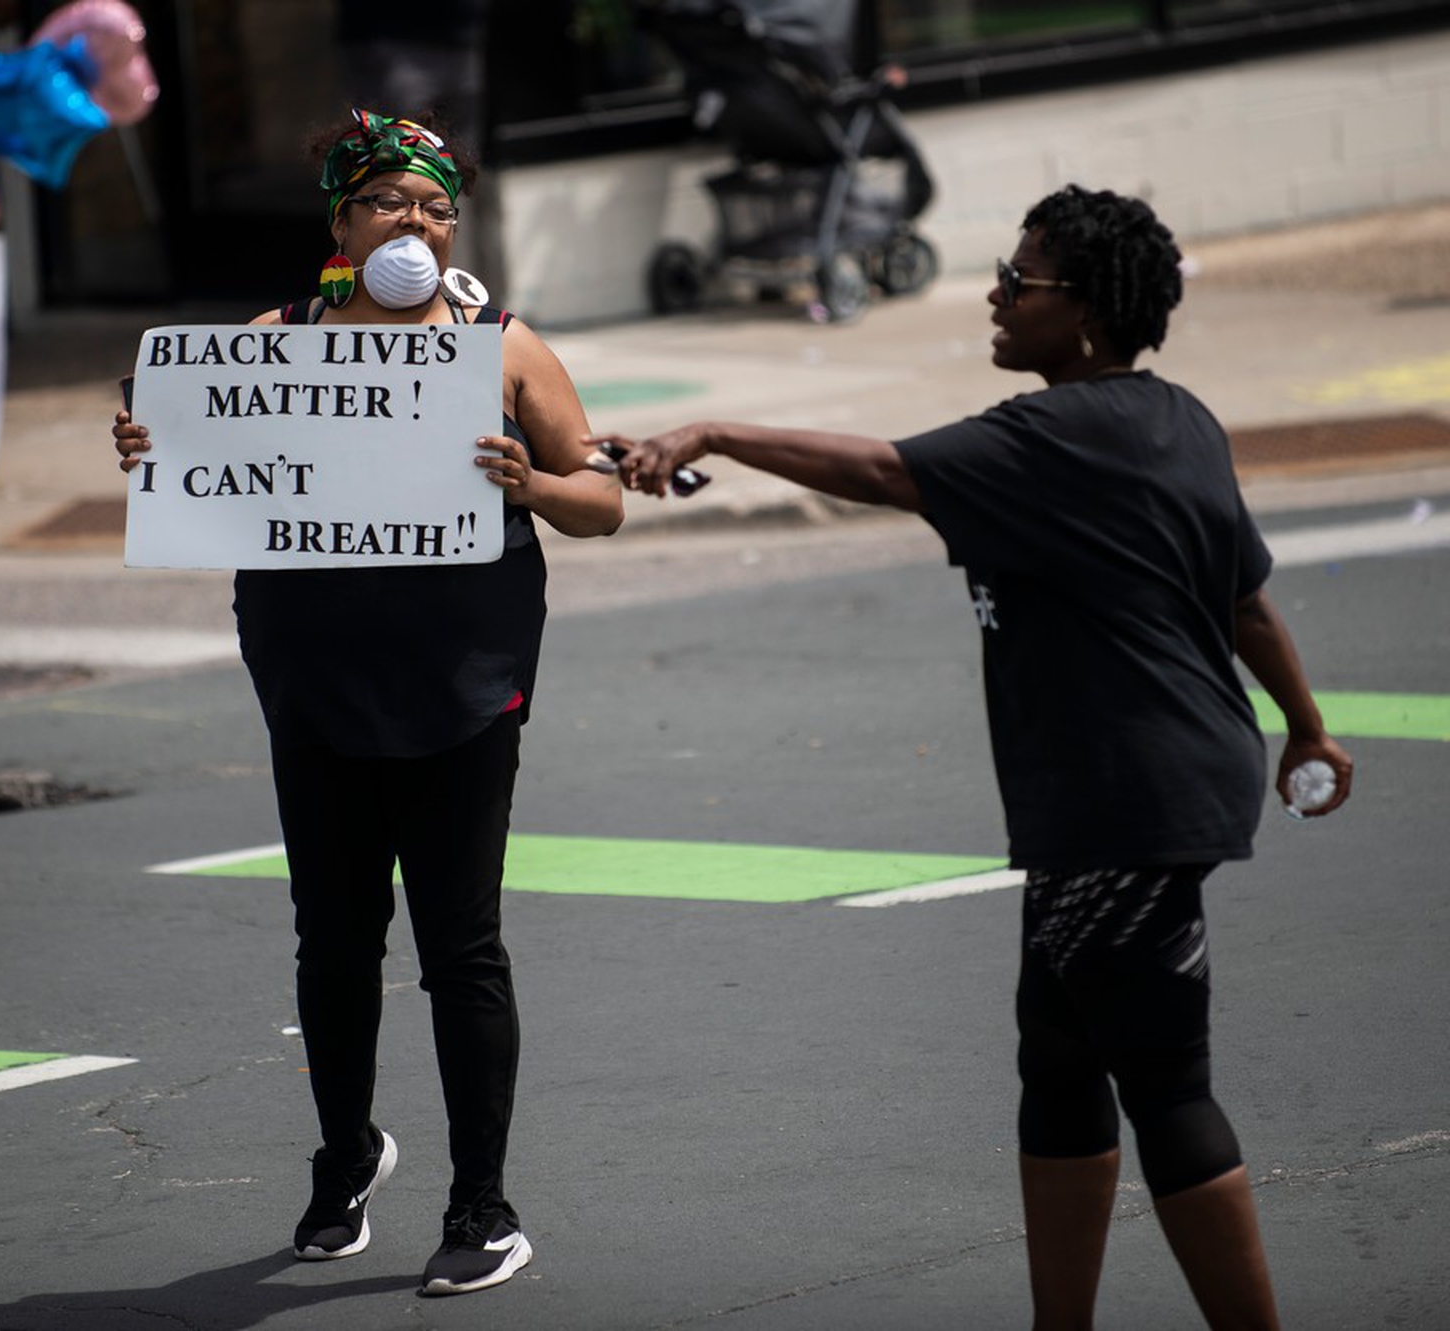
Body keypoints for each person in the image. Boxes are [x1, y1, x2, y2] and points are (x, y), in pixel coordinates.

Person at [594, 185, 1352, 1330]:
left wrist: (714, 432)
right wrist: (1304, 720)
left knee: (1164, 1082)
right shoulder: (1179, 415)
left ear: (1087, 313)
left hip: (1125, 796)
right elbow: (1242, 598)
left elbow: (885, 471)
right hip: (1123, 788)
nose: (994, 293)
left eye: (1021, 279)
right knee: (1056, 1063)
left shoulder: (1045, 439)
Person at [114, 109, 622, 1297]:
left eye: (436, 206)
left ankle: (482, 1205)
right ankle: (344, 1158)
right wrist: (143, 437)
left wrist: (534, 481)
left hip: (463, 681)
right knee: (333, 939)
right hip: (315, 680)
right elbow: (181, 451)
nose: (416, 224)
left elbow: (601, 499)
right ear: (341, 221)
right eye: (390, 201)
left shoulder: (501, 346)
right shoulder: (275, 341)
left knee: (462, 948)